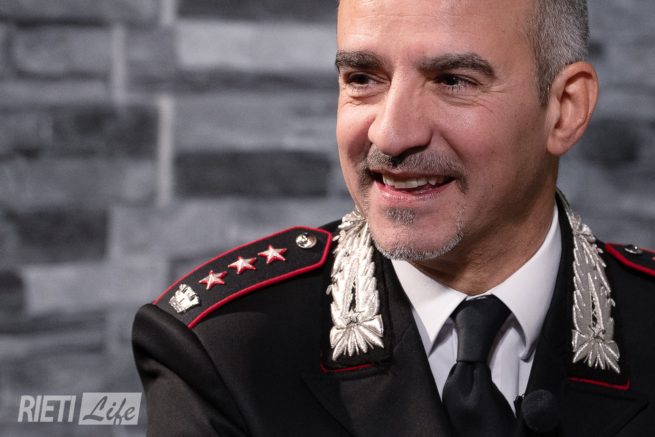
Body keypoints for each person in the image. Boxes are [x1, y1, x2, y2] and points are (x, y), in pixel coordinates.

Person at [132, 0, 655, 435]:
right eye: (363, 78)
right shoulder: (225, 349)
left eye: (453, 80)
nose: (390, 133)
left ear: (565, 109)